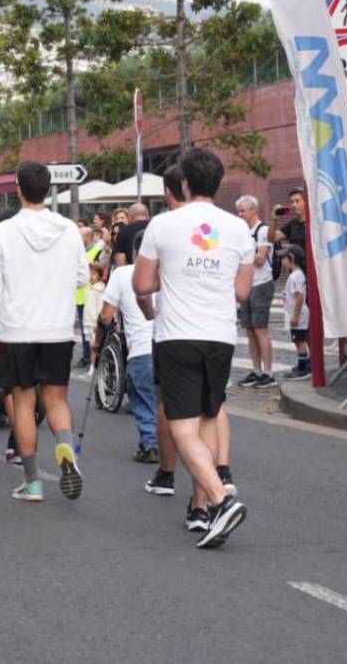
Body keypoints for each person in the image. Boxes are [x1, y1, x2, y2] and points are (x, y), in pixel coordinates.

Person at [133, 148, 250, 549]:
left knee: (182, 426)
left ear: (184, 184)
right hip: (220, 334)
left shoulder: (162, 225)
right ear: (218, 183)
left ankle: (219, 500)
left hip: (178, 333)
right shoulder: (238, 228)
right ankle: (200, 511)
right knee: (209, 416)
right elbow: (242, 290)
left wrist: (175, 275)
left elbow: (141, 285)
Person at [0, 160, 88, 503]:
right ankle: (66, 449)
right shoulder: (69, 229)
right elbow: (83, 277)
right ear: (49, 189)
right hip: (56, 328)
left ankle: (32, 481)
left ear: (19, 189)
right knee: (56, 399)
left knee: (23, 403)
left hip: (16, 330)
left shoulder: (3, 232)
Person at [98, 232, 159, 463]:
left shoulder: (122, 274)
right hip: (168, 345)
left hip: (141, 348)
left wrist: (100, 333)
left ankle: (150, 444)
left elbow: (106, 315)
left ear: (136, 252)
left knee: (143, 397)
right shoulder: (167, 272)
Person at [234, 195, 276, 388]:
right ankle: (256, 370)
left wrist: (242, 253)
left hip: (261, 283)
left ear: (253, 210)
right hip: (246, 283)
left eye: (243, 210)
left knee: (260, 330)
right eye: (239, 211)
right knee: (250, 330)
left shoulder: (263, 230)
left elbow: (260, 259)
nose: (240, 214)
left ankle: (268, 372)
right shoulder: (242, 232)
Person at [75, 226, 107, 368]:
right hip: (81, 296)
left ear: (87, 237)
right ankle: (87, 356)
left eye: (80, 236)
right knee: (85, 331)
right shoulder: (78, 251)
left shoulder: (95, 251)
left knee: (93, 330)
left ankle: (92, 358)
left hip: (94, 296)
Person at [281, 246, 310, 380]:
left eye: (285, 258)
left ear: (291, 259)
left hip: (298, 315)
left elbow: (299, 296)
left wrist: (295, 315)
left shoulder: (295, 276)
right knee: (298, 340)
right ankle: (304, 364)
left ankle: (303, 367)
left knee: (299, 341)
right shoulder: (297, 275)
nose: (283, 261)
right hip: (297, 314)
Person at [81, 264, 107, 374]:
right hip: (89, 322)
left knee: (96, 346)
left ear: (99, 276)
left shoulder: (99, 290)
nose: (91, 276)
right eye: (90, 274)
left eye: (94, 274)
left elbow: (100, 307)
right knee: (93, 346)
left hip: (94, 322)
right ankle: (92, 367)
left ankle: (96, 367)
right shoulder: (91, 289)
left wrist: (98, 322)